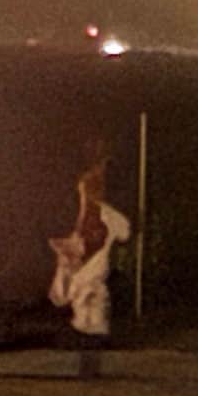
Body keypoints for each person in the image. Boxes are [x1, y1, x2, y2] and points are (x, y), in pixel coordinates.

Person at [48, 158, 130, 372]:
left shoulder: (103, 216)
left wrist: (73, 250)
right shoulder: (88, 215)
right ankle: (88, 366)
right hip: (85, 280)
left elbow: (94, 243)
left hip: (91, 279)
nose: (81, 197)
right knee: (86, 320)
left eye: (84, 192)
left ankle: (90, 366)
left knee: (91, 321)